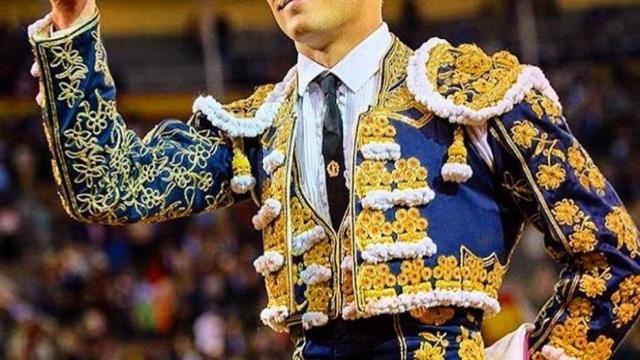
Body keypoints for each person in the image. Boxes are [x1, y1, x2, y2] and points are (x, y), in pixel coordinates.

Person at [27, 0, 640, 359]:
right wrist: (71, 24)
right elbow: (108, 185)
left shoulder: (468, 93)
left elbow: (611, 258)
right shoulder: (260, 126)